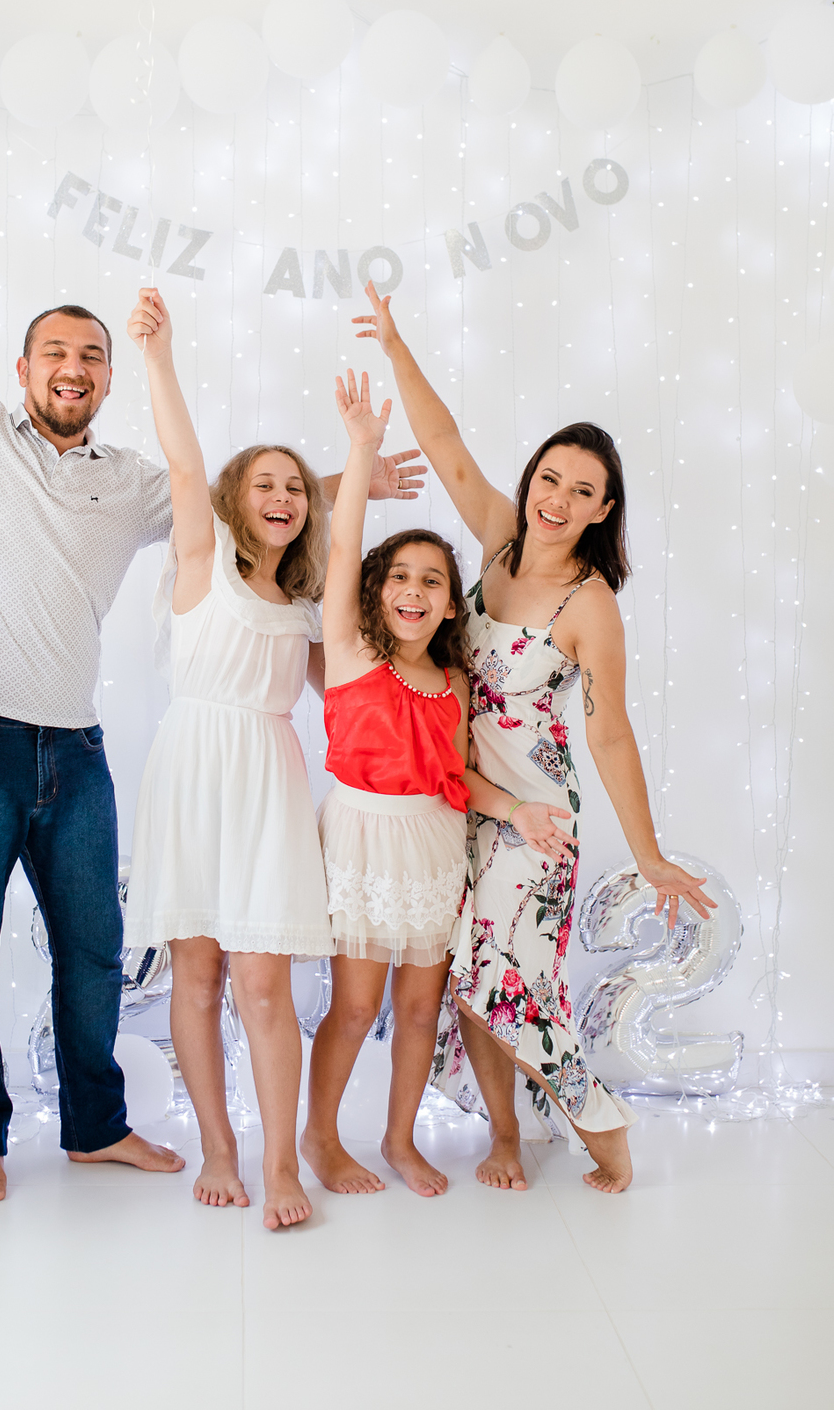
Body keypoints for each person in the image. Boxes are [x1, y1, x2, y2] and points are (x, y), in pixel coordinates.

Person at [0, 104, 423, 1204]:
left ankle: (95, 1128)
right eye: (57, 353)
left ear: (109, 381)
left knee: (95, 949)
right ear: (23, 367)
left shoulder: (126, 482)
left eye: (92, 357)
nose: (73, 368)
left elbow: (224, 503)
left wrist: (337, 480)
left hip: (75, 750)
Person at [354, 282, 716, 1193]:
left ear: (603, 510)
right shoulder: (499, 544)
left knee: (508, 981)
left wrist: (649, 854)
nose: (558, 498)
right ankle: (506, 1133)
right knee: (473, 984)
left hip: (536, 821)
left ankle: (604, 1129)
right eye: (550, 478)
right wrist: (395, 346)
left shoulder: (590, 606)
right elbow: (445, 445)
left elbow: (613, 737)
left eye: (581, 491)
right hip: (462, 800)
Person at [123, 286, 333, 1231]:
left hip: (267, 781)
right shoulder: (201, 562)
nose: (283, 498)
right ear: (234, 502)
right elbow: (183, 463)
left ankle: (282, 1162)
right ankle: (218, 1147)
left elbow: (349, 689)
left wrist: (355, 481)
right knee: (198, 976)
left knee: (264, 983)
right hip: (193, 769)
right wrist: (160, 359)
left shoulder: (303, 606)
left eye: (296, 487)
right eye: (266, 485)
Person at [300, 370, 471, 1199]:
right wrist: (362, 450)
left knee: (419, 1009)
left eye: (432, 581)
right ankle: (321, 1137)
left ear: (450, 607)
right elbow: (340, 549)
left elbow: (459, 774)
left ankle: (401, 1139)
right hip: (362, 839)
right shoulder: (350, 652)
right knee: (356, 1005)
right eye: (401, 575)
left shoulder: (454, 683)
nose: (414, 590)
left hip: (433, 843)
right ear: (377, 589)